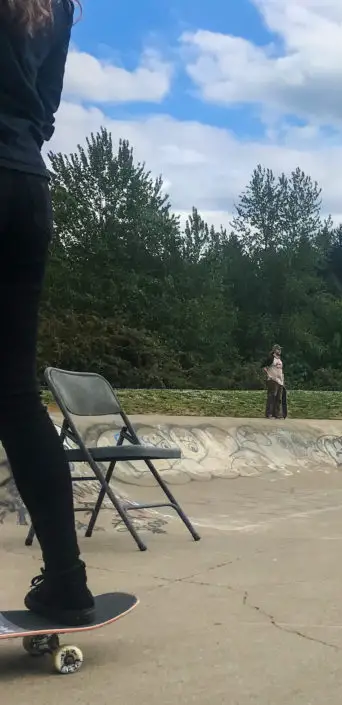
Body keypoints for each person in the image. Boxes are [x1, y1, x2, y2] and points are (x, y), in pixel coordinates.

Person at [0, 0, 95, 625]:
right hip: (27, 189)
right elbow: (50, 104)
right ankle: (66, 578)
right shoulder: (56, 6)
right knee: (12, 397)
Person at [261, 344, 285, 419]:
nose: (280, 351)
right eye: (278, 349)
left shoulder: (280, 359)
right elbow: (263, 366)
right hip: (272, 380)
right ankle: (269, 414)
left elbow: (280, 370)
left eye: (280, 349)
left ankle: (276, 414)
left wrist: (282, 379)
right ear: (275, 350)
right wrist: (268, 375)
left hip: (279, 381)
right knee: (272, 397)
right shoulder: (271, 358)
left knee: (278, 398)